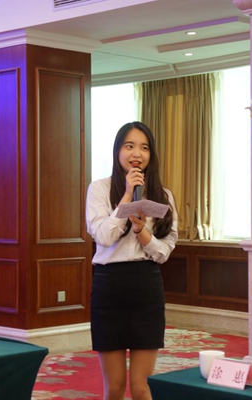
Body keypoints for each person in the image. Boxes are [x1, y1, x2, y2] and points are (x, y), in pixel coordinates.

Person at [86, 121, 178, 400]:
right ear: (118, 151)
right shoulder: (99, 189)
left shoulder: (163, 196)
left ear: (151, 154)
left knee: (141, 387)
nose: (137, 153)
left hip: (146, 287)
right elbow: (103, 236)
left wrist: (141, 231)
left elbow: (163, 252)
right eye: (129, 146)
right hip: (109, 288)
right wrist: (127, 195)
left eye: (144, 147)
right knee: (114, 387)